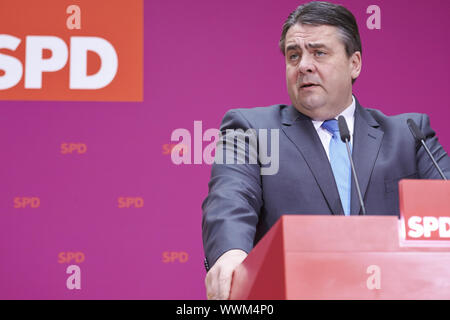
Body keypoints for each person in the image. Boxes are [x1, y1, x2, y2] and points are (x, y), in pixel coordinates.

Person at [201, 1, 450, 300]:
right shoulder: (252, 130)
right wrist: (231, 254)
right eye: (294, 55)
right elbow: (230, 199)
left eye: (319, 52)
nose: (304, 64)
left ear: (354, 63)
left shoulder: (409, 134)